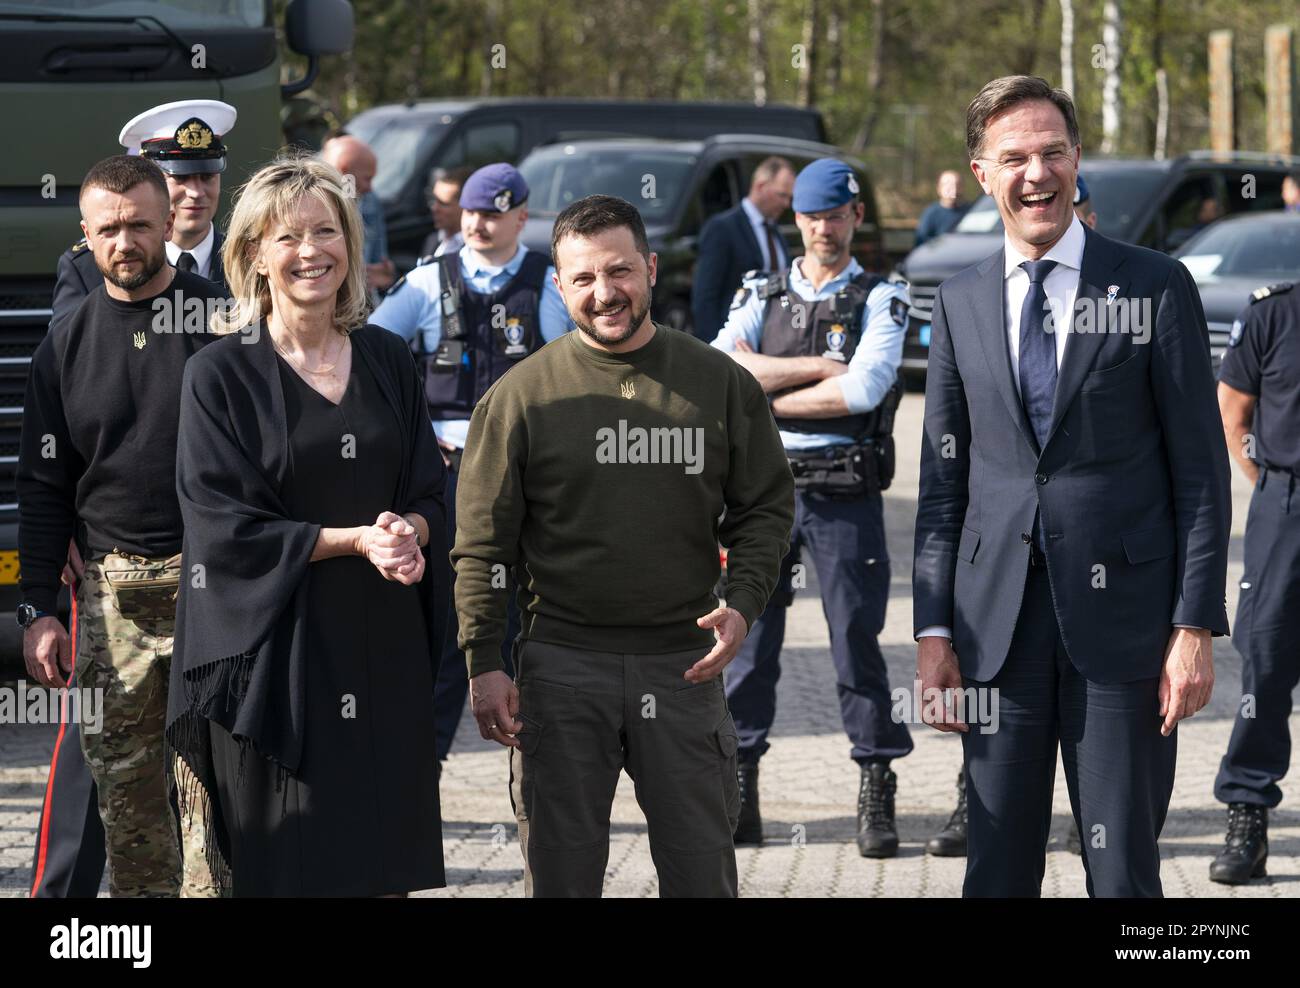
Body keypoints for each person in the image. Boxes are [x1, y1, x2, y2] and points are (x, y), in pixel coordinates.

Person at [913, 75, 1230, 898]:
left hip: (1124, 639)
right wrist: (933, 631)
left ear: (1077, 160)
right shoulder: (958, 302)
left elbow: (1200, 472)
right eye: (1014, 156)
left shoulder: (1156, 287)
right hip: (995, 637)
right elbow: (944, 485)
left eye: (1053, 151)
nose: (1036, 173)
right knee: (995, 870)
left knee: (1123, 872)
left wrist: (1194, 624)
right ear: (982, 174)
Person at [453, 193, 794, 897]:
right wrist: (485, 661)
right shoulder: (520, 398)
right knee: (563, 880)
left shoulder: (720, 384)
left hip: (685, 668)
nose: (605, 293)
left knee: (703, 877)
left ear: (651, 269)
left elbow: (763, 506)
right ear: (558, 285)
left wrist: (745, 601)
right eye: (583, 278)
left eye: (620, 272)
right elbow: (484, 546)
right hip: (561, 671)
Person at [165, 156, 450, 897]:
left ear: (351, 246)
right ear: (254, 253)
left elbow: (431, 489)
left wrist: (409, 530)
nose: (310, 250)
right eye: (287, 236)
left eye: (327, 231)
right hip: (276, 666)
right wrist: (355, 540)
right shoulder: (220, 375)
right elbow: (223, 529)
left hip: (382, 654)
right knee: (292, 871)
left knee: (382, 864)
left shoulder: (388, 359)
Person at [30, 99, 236, 901]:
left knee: (215, 788)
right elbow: (48, 473)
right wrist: (37, 601)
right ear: (87, 233)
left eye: (141, 225)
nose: (126, 241)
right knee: (119, 793)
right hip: (113, 582)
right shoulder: (71, 327)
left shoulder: (228, 313)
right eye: (108, 228)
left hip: (212, 582)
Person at [711, 158, 913, 856]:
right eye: (810, 215)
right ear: (793, 218)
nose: (823, 228)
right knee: (748, 644)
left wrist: (764, 390)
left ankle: (875, 785)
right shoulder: (759, 293)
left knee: (857, 645)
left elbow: (863, 392)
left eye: (836, 215)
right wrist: (817, 369)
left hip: (841, 492)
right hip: (761, 494)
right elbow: (719, 370)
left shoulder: (883, 299)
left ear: (856, 217)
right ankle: (738, 791)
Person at [371, 162, 571, 764]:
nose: (479, 223)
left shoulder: (550, 283)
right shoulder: (430, 281)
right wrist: (409, 437)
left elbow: (575, 371)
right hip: (450, 471)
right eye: (471, 211)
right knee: (445, 623)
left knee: (519, 622)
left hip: (525, 475)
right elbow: (373, 354)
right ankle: (421, 768)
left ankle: (534, 763)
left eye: (492, 212)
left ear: (520, 217)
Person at [1209, 281, 1300, 884]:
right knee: (1265, 657)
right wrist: (1266, 479)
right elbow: (1233, 410)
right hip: (1287, 502)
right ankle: (1247, 810)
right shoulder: (1275, 312)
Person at [49, 99, 234, 335]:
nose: (196, 192)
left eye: (207, 177)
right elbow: (67, 357)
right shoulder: (87, 267)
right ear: (148, 180)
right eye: (180, 178)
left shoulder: (249, 260)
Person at [691, 156, 795, 341]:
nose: (787, 204)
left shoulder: (776, 234)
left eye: (789, 197)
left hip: (773, 343)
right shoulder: (722, 228)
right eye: (782, 195)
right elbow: (705, 297)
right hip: (730, 344)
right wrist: (713, 351)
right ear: (760, 186)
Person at [321, 133, 395, 293]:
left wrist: (381, 273)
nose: (370, 187)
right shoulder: (310, 204)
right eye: (367, 179)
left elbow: (379, 259)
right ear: (345, 171)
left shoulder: (369, 199)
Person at [420, 165, 472, 259]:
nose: (434, 208)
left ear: (467, 207)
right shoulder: (432, 240)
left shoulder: (475, 249)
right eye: (433, 200)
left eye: (443, 204)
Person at [914, 170, 970, 246]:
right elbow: (921, 243)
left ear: (962, 187)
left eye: (957, 184)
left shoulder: (972, 212)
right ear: (939, 188)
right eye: (947, 185)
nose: (953, 189)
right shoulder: (931, 214)